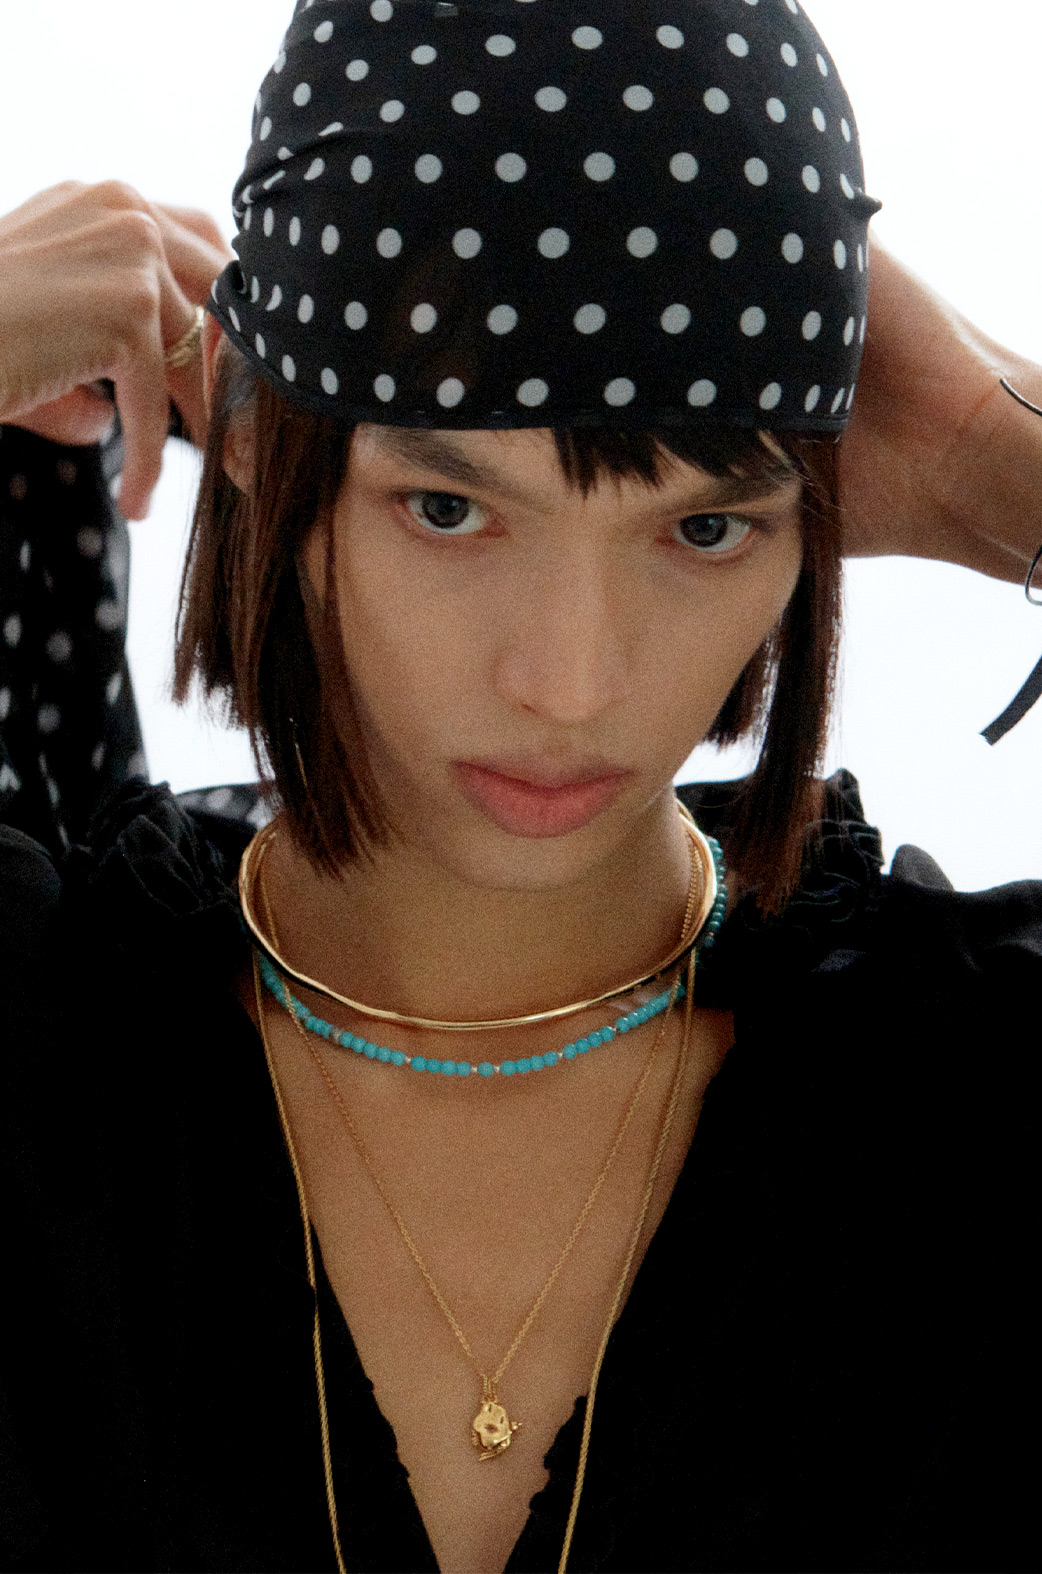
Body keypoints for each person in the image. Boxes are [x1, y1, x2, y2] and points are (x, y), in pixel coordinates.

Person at [0, 2, 1037, 1571]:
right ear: (262, 443)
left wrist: (986, 457)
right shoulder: (41, 1046)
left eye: (703, 528)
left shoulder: (965, 1099)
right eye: (446, 506)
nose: (569, 681)